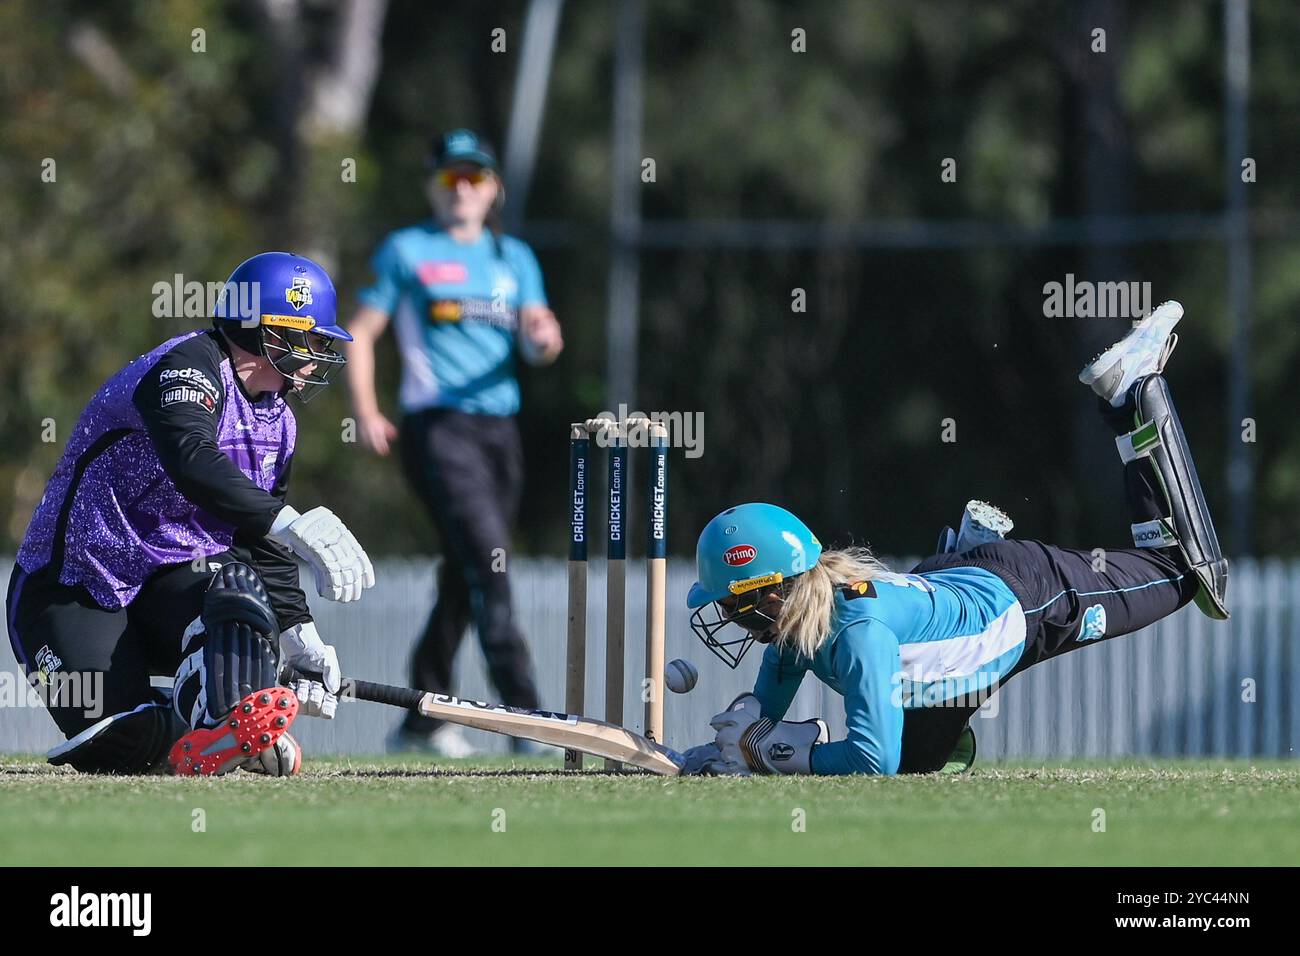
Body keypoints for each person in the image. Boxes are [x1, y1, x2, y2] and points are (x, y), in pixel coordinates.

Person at [680, 301, 1229, 776]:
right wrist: (722, 749)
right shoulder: (798, 619)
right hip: (945, 614)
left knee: (1180, 571)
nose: (728, 618)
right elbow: (769, 708)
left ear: (773, 592)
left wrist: (776, 754)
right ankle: (961, 551)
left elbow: (873, 762)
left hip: (1025, 597)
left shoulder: (858, 636)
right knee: (922, 757)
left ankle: (1131, 392)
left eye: (734, 604)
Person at [5, 251, 375, 776]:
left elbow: (255, 540)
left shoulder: (280, 421)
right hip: (71, 585)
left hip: (171, 583)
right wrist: (290, 520)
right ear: (270, 328)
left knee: (238, 587)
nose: (320, 355)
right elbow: (191, 458)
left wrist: (299, 634)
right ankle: (202, 726)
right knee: (123, 740)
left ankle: (227, 723)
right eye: (313, 338)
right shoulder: (187, 367)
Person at [346, 128, 563, 755]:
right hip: (438, 431)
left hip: (501, 434)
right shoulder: (408, 251)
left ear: (492, 188)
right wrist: (366, 410)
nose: (462, 189)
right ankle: (528, 719)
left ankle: (422, 716)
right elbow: (361, 331)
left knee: (467, 571)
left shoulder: (513, 257)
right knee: (491, 563)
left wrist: (544, 339)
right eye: (450, 178)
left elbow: (539, 335)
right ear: (434, 187)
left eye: (474, 177)